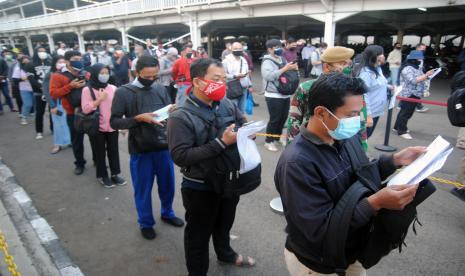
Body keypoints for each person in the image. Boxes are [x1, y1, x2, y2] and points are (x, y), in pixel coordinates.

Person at [275, 72, 424, 276]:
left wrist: (395, 160)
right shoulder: (297, 163)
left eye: (359, 113)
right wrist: (375, 203)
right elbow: (319, 231)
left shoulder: (344, 137)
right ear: (320, 113)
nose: (358, 120)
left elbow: (362, 173)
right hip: (317, 264)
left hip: (351, 251)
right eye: (351, 114)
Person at [168, 58, 255, 276]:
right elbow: (181, 156)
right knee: (198, 235)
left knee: (224, 223)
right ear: (198, 82)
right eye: (216, 79)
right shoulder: (180, 116)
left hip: (229, 178)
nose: (222, 84)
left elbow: (241, 120)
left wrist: (247, 131)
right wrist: (221, 142)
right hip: (200, 186)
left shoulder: (225, 102)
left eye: (224, 79)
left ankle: (225, 253)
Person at [110, 55, 184, 240]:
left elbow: (167, 111)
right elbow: (114, 122)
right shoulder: (123, 92)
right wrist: (137, 119)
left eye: (155, 76)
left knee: (168, 185)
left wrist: (172, 112)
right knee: (143, 188)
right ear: (137, 72)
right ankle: (145, 222)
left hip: (163, 146)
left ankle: (167, 213)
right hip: (141, 148)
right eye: (147, 76)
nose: (151, 80)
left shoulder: (160, 88)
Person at [287, 46, 355, 143]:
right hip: (312, 142)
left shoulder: (353, 90)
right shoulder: (306, 88)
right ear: (327, 67)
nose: (348, 68)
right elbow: (295, 118)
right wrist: (292, 145)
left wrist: (361, 146)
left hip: (344, 143)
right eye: (342, 64)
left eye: (349, 64)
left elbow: (360, 120)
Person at [81, 63, 126, 188]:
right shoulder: (87, 89)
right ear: (95, 73)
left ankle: (115, 174)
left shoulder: (112, 88)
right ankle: (102, 175)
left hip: (112, 125)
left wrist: (122, 124)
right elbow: (85, 109)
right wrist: (99, 100)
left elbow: (118, 108)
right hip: (97, 127)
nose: (104, 75)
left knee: (114, 151)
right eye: (102, 73)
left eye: (107, 73)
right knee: (99, 152)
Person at [50, 50, 88, 175]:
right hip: (73, 113)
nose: (78, 60)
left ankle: (98, 160)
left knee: (96, 138)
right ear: (67, 61)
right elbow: (54, 94)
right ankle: (79, 163)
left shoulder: (85, 72)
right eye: (75, 58)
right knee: (77, 140)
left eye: (79, 58)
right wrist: (70, 86)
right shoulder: (58, 75)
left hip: (90, 110)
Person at [261, 38, 298, 152]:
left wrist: (292, 68)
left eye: (280, 46)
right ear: (269, 49)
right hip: (273, 95)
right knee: (275, 119)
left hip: (284, 93)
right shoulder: (267, 61)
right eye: (276, 47)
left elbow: (287, 72)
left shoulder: (282, 58)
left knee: (283, 118)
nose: (279, 49)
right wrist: (285, 68)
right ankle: (268, 141)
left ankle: (276, 137)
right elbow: (269, 76)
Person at [393, 50, 434, 140]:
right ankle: (401, 131)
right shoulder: (407, 69)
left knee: (406, 112)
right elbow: (413, 80)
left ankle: (397, 127)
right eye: (419, 59)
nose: (421, 61)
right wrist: (426, 75)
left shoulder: (416, 68)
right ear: (414, 59)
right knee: (405, 113)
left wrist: (427, 75)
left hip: (415, 93)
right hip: (409, 93)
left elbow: (421, 77)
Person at [353, 45, 392, 138]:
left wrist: (389, 86)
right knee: (362, 137)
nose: (383, 56)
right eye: (380, 54)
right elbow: (363, 95)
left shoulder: (377, 69)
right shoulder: (365, 73)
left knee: (367, 135)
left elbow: (378, 83)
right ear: (373, 56)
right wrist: (368, 115)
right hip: (367, 112)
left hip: (377, 110)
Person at [43, 55, 71, 154]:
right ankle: (57, 144)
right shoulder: (50, 74)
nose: (62, 63)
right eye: (59, 61)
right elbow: (46, 91)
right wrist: (52, 105)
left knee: (68, 123)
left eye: (64, 61)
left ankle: (69, 141)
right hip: (57, 104)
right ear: (54, 63)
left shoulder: (68, 73)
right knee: (58, 125)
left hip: (68, 103)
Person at [29, 46, 52, 140]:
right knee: (39, 112)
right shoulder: (31, 64)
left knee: (53, 111)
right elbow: (31, 78)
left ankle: (53, 128)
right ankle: (39, 131)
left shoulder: (50, 63)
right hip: (38, 92)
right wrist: (41, 87)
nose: (43, 52)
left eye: (44, 51)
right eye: (40, 51)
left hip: (51, 92)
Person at [222, 42, 252, 112]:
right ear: (231, 49)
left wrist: (250, 85)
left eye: (240, 48)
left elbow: (247, 73)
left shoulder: (243, 59)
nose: (238, 50)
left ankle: (240, 122)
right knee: (233, 109)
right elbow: (222, 75)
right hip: (233, 88)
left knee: (242, 110)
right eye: (235, 48)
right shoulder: (226, 61)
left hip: (244, 87)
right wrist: (234, 76)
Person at [12, 56, 35, 125]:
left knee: (36, 104)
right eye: (24, 61)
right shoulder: (18, 69)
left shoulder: (33, 67)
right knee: (28, 104)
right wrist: (22, 79)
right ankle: (23, 117)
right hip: (24, 89)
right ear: (21, 62)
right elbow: (15, 80)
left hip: (35, 88)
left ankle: (36, 117)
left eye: (27, 60)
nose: (26, 62)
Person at [415, 43, 429, 113]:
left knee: (413, 92)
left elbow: (420, 68)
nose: (423, 50)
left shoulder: (420, 56)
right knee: (416, 92)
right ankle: (419, 106)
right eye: (422, 48)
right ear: (417, 48)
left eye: (424, 49)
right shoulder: (413, 56)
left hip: (418, 76)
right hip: (415, 77)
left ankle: (401, 104)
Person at [0, 50, 15, 115]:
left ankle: (12, 107)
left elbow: (6, 69)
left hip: (3, 80)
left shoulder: (1, 60)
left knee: (6, 94)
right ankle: (0, 110)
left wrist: (3, 76)